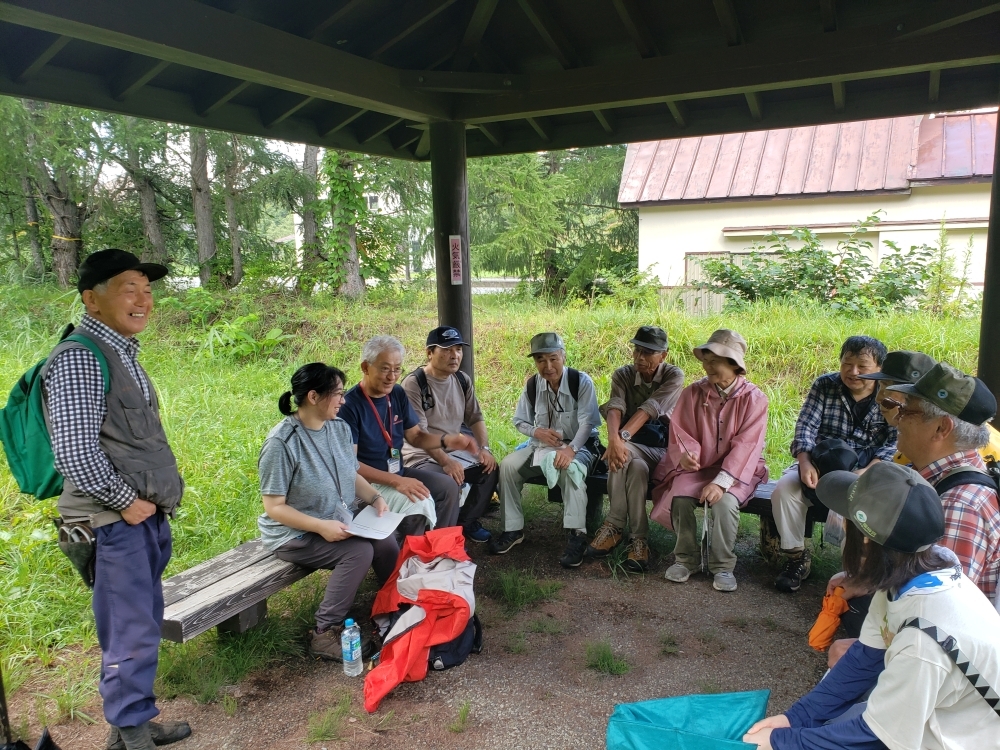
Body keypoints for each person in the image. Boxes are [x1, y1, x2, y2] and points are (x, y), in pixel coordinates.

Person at [41, 250, 190, 750]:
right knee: (129, 631)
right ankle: (130, 733)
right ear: (92, 298)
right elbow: (74, 452)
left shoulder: (120, 351)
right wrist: (127, 501)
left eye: (147, 289)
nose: (144, 299)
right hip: (110, 520)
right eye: (130, 288)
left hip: (134, 519)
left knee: (139, 625)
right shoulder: (81, 356)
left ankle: (131, 726)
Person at [743, 462, 1000, 750]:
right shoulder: (913, 576)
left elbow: (875, 735)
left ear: (865, 539)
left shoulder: (923, 642)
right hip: (934, 719)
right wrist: (795, 719)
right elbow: (864, 660)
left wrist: (782, 742)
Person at [258, 363, 399, 659]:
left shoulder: (338, 428)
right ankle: (325, 632)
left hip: (336, 518)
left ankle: (394, 606)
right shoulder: (282, 443)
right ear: (313, 396)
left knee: (385, 540)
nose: (343, 400)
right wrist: (320, 527)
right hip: (294, 532)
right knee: (358, 552)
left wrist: (374, 498)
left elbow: (351, 473)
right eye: (337, 394)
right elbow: (274, 507)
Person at [823, 350, 938, 659]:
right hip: (911, 595)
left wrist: (870, 584)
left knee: (858, 609)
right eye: (881, 392)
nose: (880, 402)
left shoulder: (957, 492)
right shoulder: (913, 453)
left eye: (889, 398)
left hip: (932, 640)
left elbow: (938, 587)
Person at [771, 336, 897, 593]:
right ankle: (796, 558)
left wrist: (867, 471)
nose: (853, 372)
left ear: (879, 368)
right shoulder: (825, 385)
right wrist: (805, 462)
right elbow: (806, 426)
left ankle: (854, 575)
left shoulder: (889, 393)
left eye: (862, 366)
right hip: (822, 463)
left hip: (870, 468)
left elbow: (896, 441)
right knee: (784, 491)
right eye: (847, 364)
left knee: (861, 509)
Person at [650, 329, 768, 592]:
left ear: (733, 364)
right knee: (679, 497)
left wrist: (722, 482)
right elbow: (681, 431)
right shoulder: (693, 393)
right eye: (705, 360)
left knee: (725, 502)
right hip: (701, 466)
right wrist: (687, 455)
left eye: (714, 360)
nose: (707, 366)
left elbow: (747, 446)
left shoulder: (754, 399)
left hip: (739, 470)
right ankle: (686, 559)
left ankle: (723, 566)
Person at [340, 335, 478, 538]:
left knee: (448, 486)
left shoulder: (396, 393)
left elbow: (416, 436)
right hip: (366, 486)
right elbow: (351, 466)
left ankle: (438, 548)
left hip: (398, 471)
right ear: (365, 367)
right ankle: (410, 557)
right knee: (417, 502)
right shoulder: (349, 406)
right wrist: (396, 482)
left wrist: (446, 440)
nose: (392, 376)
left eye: (397, 369)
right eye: (385, 368)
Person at [887, 362, 1000, 608]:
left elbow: (941, 606)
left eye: (907, 411)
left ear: (941, 428)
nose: (897, 418)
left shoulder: (960, 504)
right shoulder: (938, 478)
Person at [489, 332, 601, 568]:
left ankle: (577, 534)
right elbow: (519, 421)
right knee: (508, 466)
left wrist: (570, 450)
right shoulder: (533, 385)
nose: (548, 366)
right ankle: (513, 529)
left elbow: (588, 423)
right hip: (542, 446)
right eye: (540, 360)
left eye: (553, 358)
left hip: (579, 444)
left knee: (570, 470)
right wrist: (536, 432)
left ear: (563, 356)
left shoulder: (581, 382)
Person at [588, 325, 684, 572]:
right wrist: (614, 440)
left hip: (663, 450)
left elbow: (650, 408)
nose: (641, 357)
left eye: (649, 352)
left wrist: (620, 440)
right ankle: (639, 540)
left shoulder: (674, 375)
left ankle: (614, 524)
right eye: (637, 350)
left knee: (622, 454)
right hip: (633, 451)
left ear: (663, 355)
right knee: (635, 466)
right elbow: (615, 406)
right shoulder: (623, 374)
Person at [400, 326, 498, 544]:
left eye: (458, 349)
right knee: (449, 483)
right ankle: (440, 541)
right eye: (446, 350)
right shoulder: (414, 383)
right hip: (421, 456)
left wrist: (485, 449)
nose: (455, 355)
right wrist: (446, 462)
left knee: (490, 469)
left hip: (454, 451)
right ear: (429, 353)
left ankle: (466, 523)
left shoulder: (462, 380)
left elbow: (475, 418)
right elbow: (420, 436)